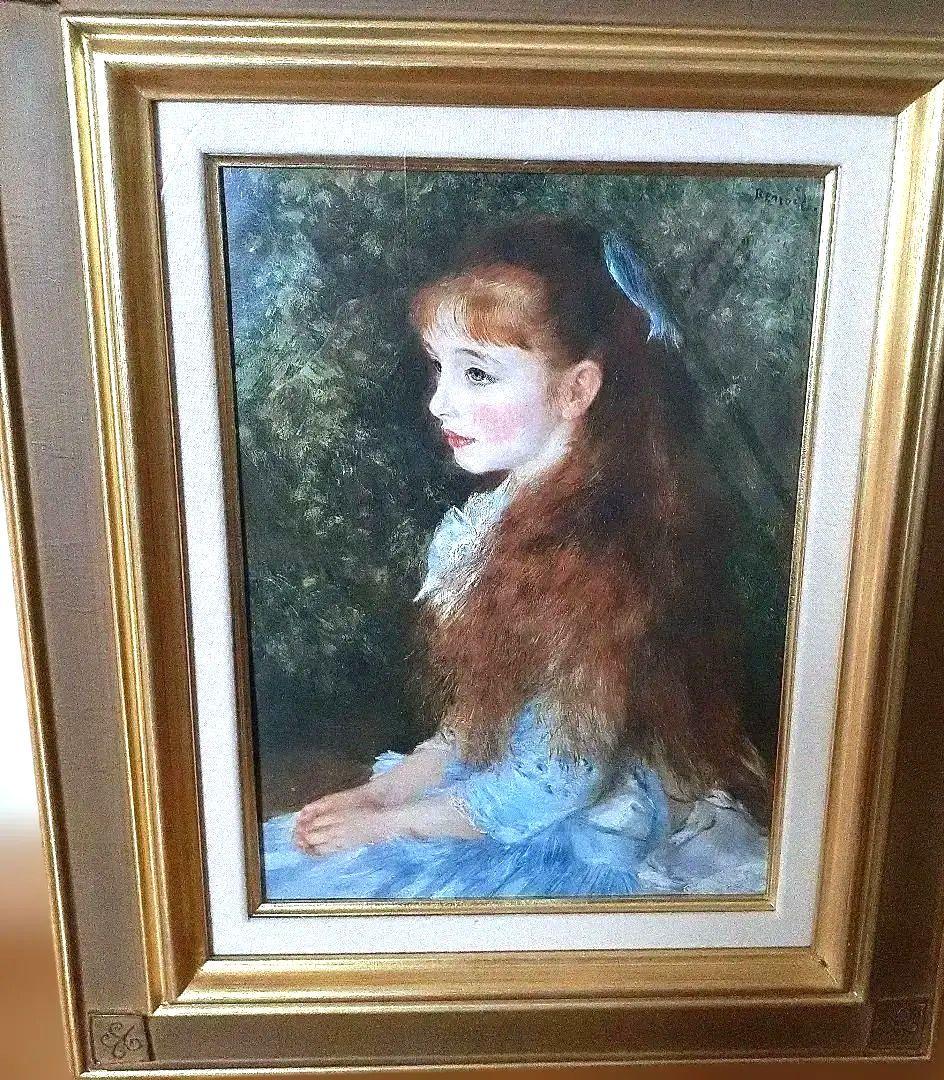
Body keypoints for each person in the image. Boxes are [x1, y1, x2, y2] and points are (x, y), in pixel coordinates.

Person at [261, 215, 770, 900]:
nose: (440, 402)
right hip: (497, 793)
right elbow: (479, 725)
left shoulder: (599, 559)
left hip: (581, 830)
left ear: (575, 390)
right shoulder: (492, 526)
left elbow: (556, 781)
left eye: (478, 373)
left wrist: (388, 826)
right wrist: (381, 794)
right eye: (441, 368)